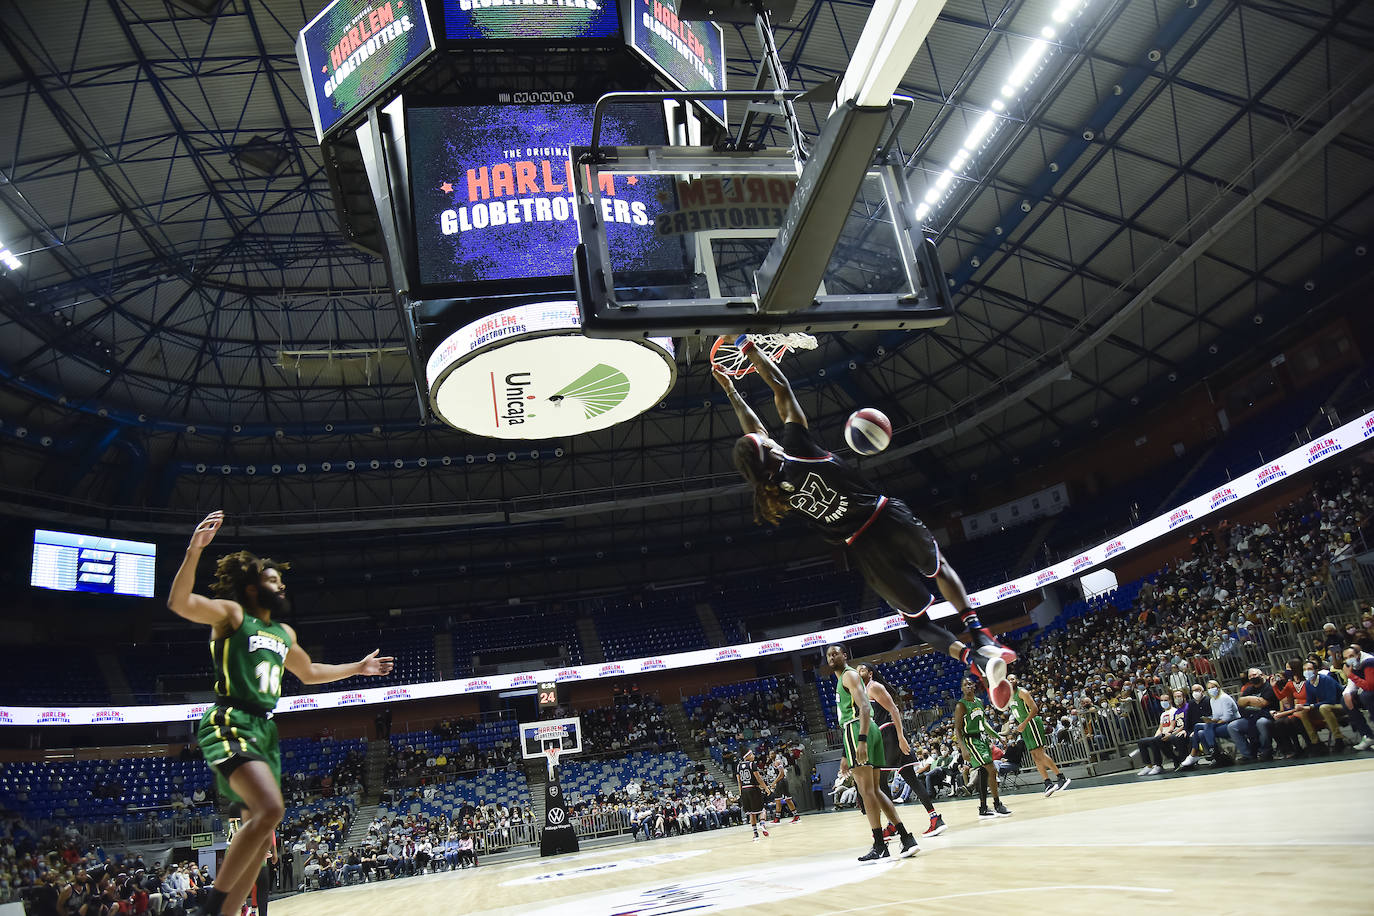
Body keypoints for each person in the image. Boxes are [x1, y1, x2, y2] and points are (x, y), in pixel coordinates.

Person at [716, 342, 1017, 709]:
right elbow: (780, 387)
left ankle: (976, 662)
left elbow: (756, 434)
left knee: (918, 624)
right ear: (770, 448)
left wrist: (732, 390)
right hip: (885, 517)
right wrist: (748, 349)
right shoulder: (797, 446)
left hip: (862, 547)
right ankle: (980, 635)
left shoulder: (773, 489)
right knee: (938, 567)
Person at [168, 510, 395, 916]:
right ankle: (210, 908)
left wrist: (358, 668)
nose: (281, 584)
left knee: (265, 828)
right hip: (231, 719)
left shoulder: (284, 633)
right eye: (272, 579)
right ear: (253, 587)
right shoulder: (233, 616)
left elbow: (308, 673)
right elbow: (180, 602)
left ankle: (226, 912)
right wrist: (193, 552)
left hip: (264, 730)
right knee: (271, 810)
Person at [827, 644, 920, 860]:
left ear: (844, 655)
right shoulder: (847, 678)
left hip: (858, 728)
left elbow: (865, 708)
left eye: (835, 653)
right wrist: (844, 753)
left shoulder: (848, 676)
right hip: (868, 731)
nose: (832, 657)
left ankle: (880, 845)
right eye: (828, 655)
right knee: (876, 790)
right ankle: (906, 838)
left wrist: (860, 740)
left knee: (866, 791)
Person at [855, 663, 947, 838]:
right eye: (857, 670)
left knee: (879, 783)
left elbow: (894, 710)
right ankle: (935, 818)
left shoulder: (874, 687)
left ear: (871, 673)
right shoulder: (864, 691)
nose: (859, 672)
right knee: (911, 779)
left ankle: (893, 825)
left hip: (888, 736)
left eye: (862, 669)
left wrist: (901, 737)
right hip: (885, 737)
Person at [954, 674, 1011, 819]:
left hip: (982, 738)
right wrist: (963, 748)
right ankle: (997, 804)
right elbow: (957, 729)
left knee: (984, 773)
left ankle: (983, 808)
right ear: (962, 688)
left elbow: (984, 724)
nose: (968, 686)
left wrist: (998, 736)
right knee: (991, 769)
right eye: (965, 685)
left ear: (973, 686)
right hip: (971, 740)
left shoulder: (979, 701)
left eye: (970, 684)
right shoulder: (961, 705)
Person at [1004, 674, 1069, 796]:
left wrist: (1024, 723)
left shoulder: (1022, 692)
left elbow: (1034, 709)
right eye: (1008, 680)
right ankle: (1047, 782)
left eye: (1013, 678)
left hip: (1032, 723)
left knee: (1039, 753)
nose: (1011, 681)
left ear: (1016, 680)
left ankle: (1061, 777)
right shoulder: (1009, 697)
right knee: (1035, 756)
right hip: (1024, 727)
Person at [735, 749, 769, 842]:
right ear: (748, 755)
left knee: (751, 813)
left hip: (744, 790)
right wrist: (766, 788)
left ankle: (755, 834)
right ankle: (762, 824)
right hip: (753, 789)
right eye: (752, 754)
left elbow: (739, 781)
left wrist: (740, 793)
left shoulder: (738, 766)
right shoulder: (752, 764)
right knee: (762, 810)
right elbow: (758, 778)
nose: (753, 756)